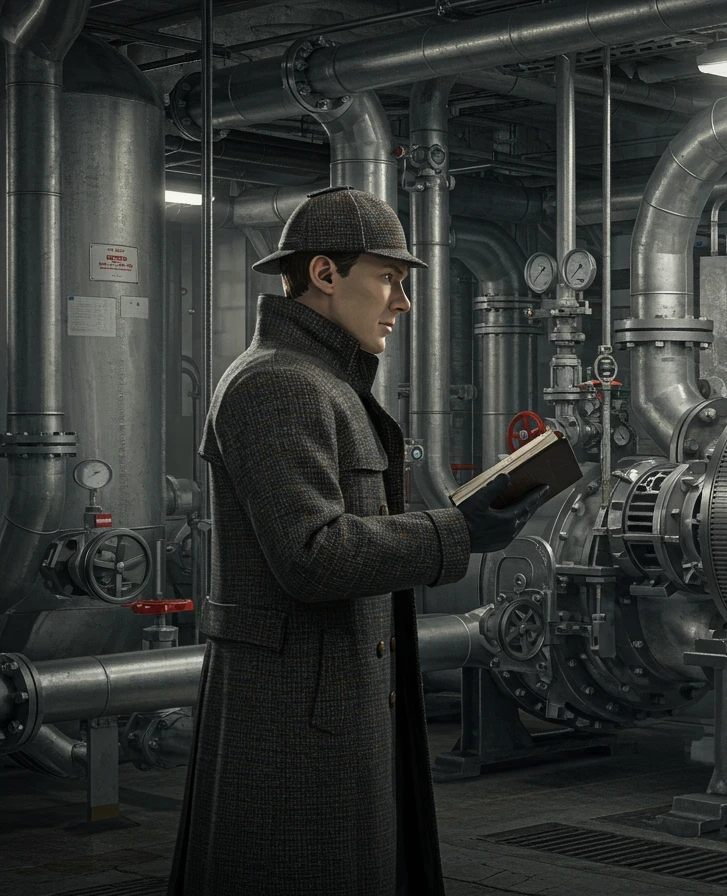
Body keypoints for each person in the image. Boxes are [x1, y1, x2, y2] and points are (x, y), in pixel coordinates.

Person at [167, 185, 547, 896]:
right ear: (324, 274)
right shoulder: (278, 384)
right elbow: (313, 555)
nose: (401, 303)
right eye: (388, 279)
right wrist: (458, 530)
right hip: (299, 716)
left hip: (333, 697)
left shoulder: (321, 382)